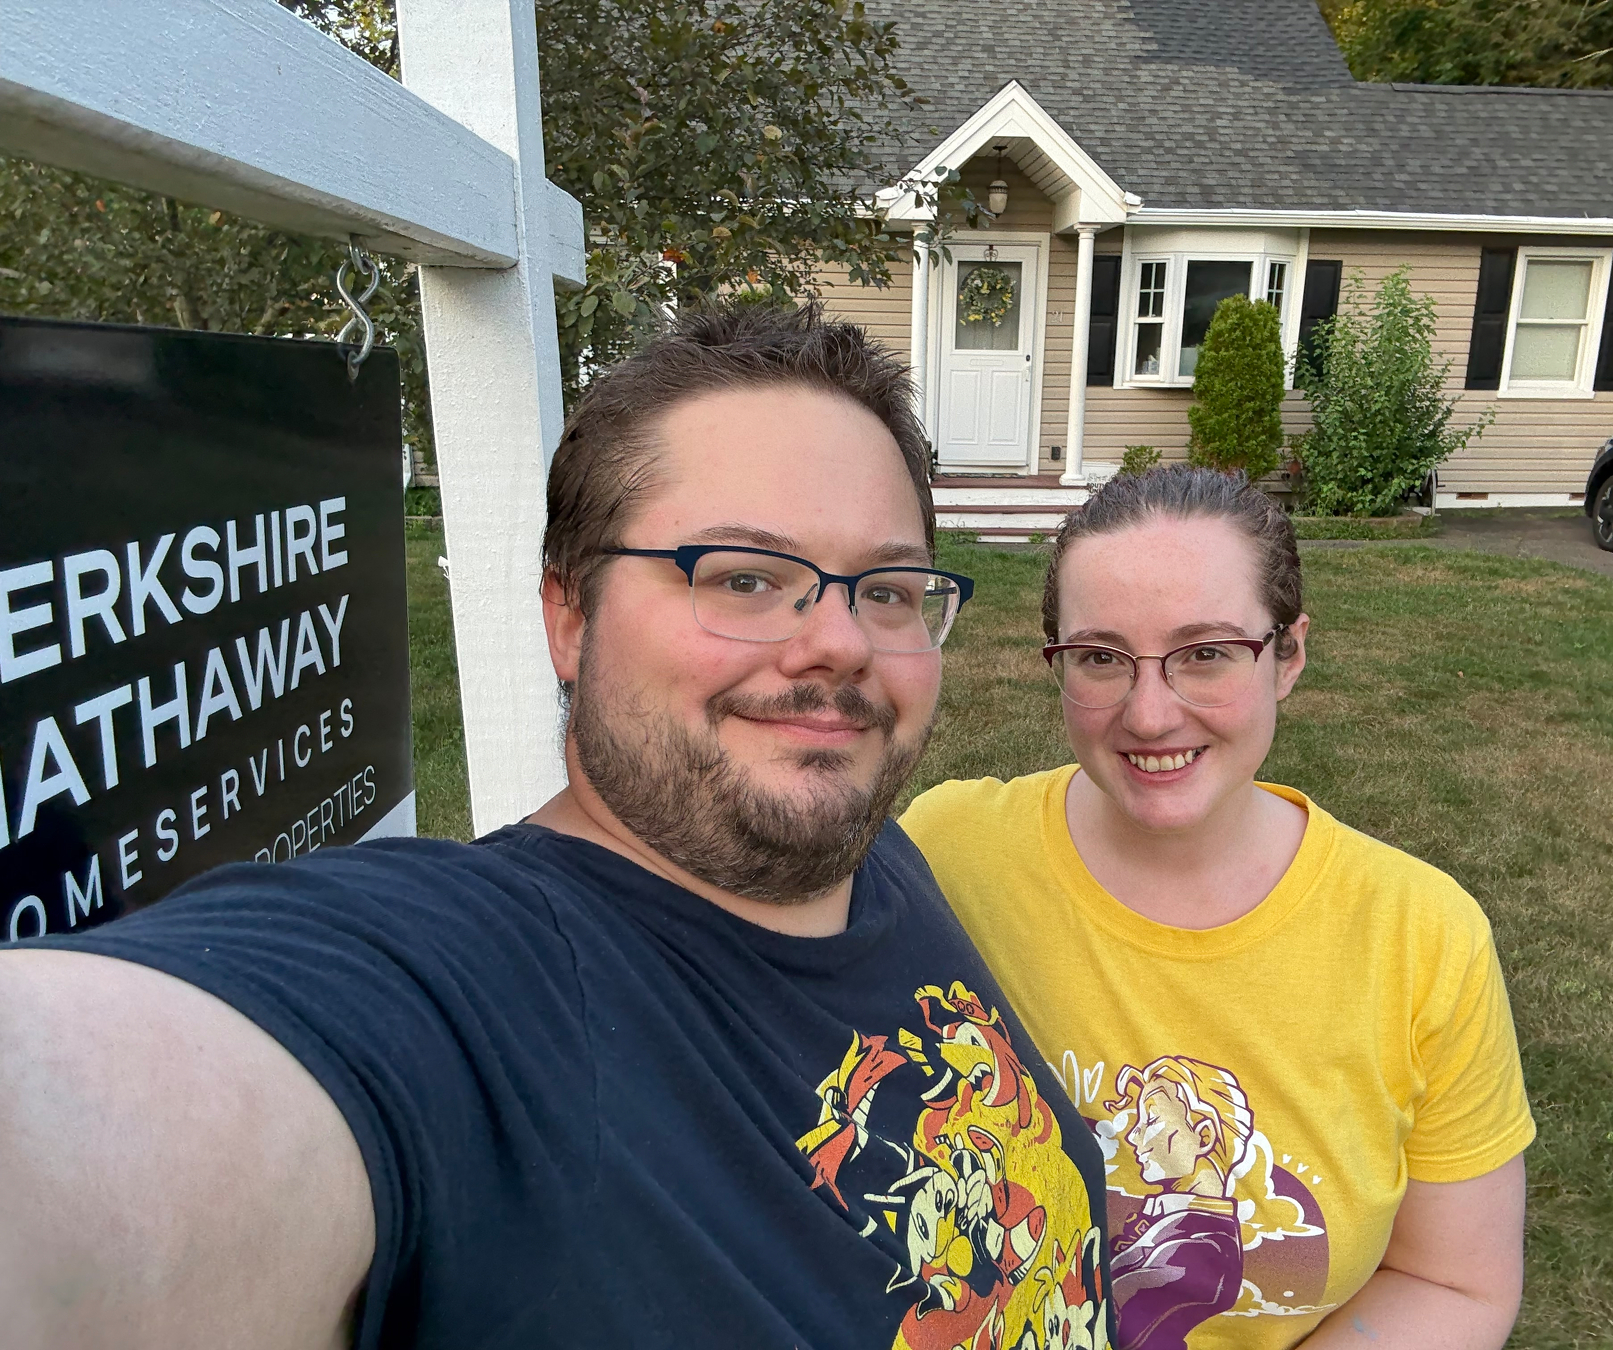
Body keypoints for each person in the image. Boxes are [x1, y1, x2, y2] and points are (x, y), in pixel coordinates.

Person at [0, 305, 1112, 1350]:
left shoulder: (873, 857)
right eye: (742, 576)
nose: (840, 641)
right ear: (568, 616)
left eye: (887, 588)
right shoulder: (470, 986)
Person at [900, 466, 1535, 1350]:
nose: (1151, 713)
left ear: (1290, 655)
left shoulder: (1421, 938)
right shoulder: (946, 855)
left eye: (1206, 653)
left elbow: (1453, 1280)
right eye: (1100, 657)